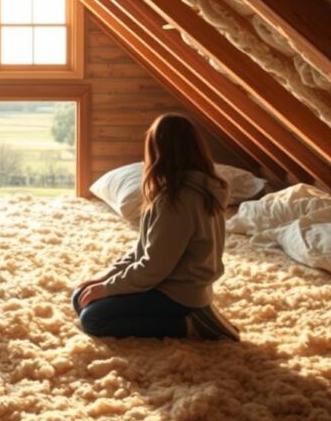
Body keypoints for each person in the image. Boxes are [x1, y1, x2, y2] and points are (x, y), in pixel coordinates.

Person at [71, 113, 240, 340]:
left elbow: (153, 267)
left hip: (177, 293)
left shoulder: (178, 200)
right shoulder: (189, 189)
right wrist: (106, 278)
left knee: (93, 318)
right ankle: (190, 315)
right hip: (170, 283)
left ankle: (191, 325)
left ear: (158, 151)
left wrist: (109, 289)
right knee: (80, 296)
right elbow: (145, 248)